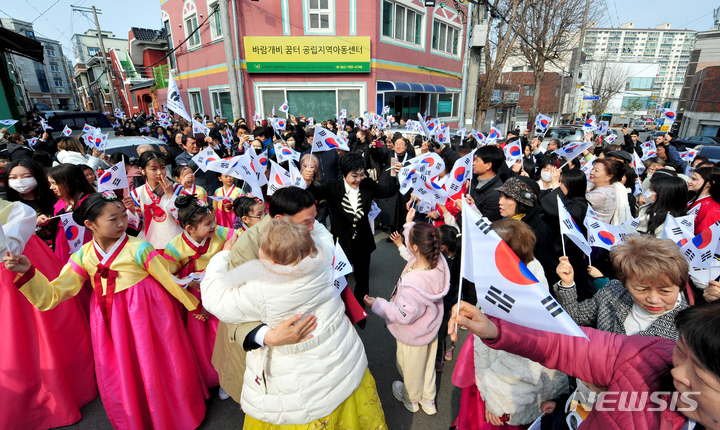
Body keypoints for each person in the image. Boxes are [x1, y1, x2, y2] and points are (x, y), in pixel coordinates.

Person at [3, 191, 207, 430]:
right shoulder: (82, 256)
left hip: (149, 314)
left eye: (123, 216)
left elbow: (167, 279)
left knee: (160, 361)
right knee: (122, 369)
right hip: (109, 319)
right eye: (113, 219)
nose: (122, 223)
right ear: (90, 224)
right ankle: (138, 416)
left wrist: (192, 305)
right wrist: (28, 272)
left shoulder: (139, 247)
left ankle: (175, 415)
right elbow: (53, 294)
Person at [201, 218, 387, 428]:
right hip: (341, 360)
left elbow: (213, 298)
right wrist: (308, 224)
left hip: (297, 386)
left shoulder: (260, 288)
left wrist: (222, 256)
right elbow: (323, 233)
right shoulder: (325, 257)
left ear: (269, 260)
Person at [450, 298, 720, 430]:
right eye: (681, 352)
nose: (676, 371)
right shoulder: (649, 353)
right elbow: (563, 344)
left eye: (699, 373)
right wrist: (495, 329)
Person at [212, 187, 332, 405]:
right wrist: (266, 336)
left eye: (315, 219)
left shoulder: (309, 230)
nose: (314, 227)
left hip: (309, 338)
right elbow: (232, 306)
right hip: (270, 348)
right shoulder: (246, 246)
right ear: (279, 219)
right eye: (307, 222)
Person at [451, 218, 568, 429]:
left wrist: (497, 397)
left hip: (503, 386)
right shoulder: (511, 273)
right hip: (489, 367)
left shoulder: (526, 294)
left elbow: (523, 358)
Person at [0, 198, 96, 430]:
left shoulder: (18, 211)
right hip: (17, 271)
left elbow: (8, 247)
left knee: (39, 332)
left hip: (20, 269)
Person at [365, 211, 449, 415]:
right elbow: (418, 244)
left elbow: (403, 315)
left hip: (411, 333)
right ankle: (428, 400)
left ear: (415, 247)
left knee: (409, 367)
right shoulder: (439, 262)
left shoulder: (413, 283)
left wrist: (378, 304)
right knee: (427, 365)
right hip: (430, 329)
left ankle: (410, 398)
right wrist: (409, 223)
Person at [305, 153, 400, 316]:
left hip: (363, 241)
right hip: (341, 241)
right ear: (344, 174)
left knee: (362, 280)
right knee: (339, 278)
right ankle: (339, 309)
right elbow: (314, 193)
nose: (359, 179)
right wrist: (307, 182)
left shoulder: (367, 185)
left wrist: (395, 174)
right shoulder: (333, 186)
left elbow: (388, 191)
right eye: (354, 176)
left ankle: (359, 312)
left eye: (362, 174)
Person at [165, 195, 235, 395]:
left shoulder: (224, 234)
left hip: (222, 291)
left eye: (214, 220)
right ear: (190, 229)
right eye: (208, 224)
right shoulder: (174, 247)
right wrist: (193, 301)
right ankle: (212, 377)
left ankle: (229, 378)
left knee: (225, 336)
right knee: (203, 343)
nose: (214, 226)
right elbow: (171, 276)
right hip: (195, 298)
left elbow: (238, 244)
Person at [554, 234, 689, 339]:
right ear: (625, 283)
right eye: (641, 289)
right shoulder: (613, 292)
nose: (654, 299)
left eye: (665, 291)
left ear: (680, 286)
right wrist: (567, 284)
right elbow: (575, 316)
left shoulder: (688, 326)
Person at [497, 176, 559, 285]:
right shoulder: (504, 220)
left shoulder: (539, 232)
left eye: (507, 197)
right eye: (501, 196)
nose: (500, 202)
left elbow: (548, 272)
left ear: (523, 202)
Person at [129, 151, 183, 249]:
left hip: (177, 242)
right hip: (150, 246)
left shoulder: (177, 189)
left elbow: (186, 217)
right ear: (142, 170)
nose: (159, 172)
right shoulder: (136, 194)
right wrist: (131, 211)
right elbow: (135, 225)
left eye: (163, 167)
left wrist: (171, 195)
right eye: (154, 169)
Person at [4, 159, 59, 250]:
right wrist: (32, 223)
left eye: (26, 176)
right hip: (23, 253)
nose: (20, 181)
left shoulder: (55, 199)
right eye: (13, 178)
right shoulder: (6, 204)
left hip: (54, 250)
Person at [47, 163, 95, 263]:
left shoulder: (90, 202)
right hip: (63, 250)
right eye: (50, 183)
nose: (51, 187)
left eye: (55, 183)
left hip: (87, 250)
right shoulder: (60, 204)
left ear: (72, 181)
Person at [587, 158, 632, 225]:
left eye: (596, 170)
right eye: (592, 169)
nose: (591, 172)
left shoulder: (602, 194)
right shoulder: (594, 188)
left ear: (609, 176)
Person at [469, 145, 505, 221]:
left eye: (477, 160)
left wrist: (471, 208)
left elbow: (487, 223)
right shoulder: (473, 180)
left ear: (488, 165)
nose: (473, 163)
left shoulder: (495, 194)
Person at [687, 166, 720, 234]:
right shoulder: (695, 198)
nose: (688, 181)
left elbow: (705, 237)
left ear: (709, 183)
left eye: (694, 179)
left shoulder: (711, 209)